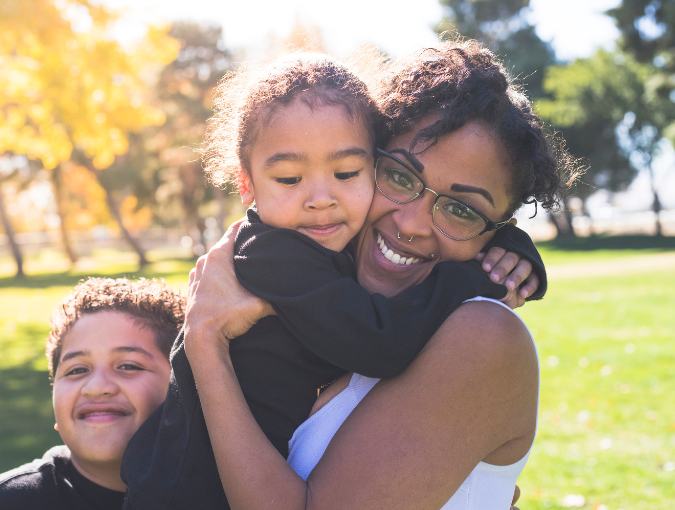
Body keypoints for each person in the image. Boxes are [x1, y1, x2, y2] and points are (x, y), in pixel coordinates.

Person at [122, 52, 546, 509]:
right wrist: (474, 273)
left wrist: (509, 247)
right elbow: (378, 341)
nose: (411, 224)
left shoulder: (481, 334)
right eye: (400, 177)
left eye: (463, 211)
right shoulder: (279, 255)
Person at [0, 278, 183, 510]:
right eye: (77, 370)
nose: (96, 387)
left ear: (181, 387)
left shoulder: (205, 493)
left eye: (128, 366)